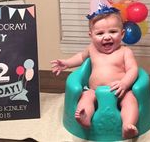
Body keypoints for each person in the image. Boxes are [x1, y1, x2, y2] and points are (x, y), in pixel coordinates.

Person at [51, 11, 139, 139]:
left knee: (130, 100)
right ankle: (85, 117)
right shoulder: (92, 49)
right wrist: (67, 63)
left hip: (119, 91)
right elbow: (80, 57)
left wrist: (124, 84)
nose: (107, 37)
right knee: (86, 97)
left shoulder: (125, 51)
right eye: (100, 33)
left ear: (122, 34)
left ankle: (128, 125)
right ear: (91, 35)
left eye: (113, 32)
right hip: (94, 90)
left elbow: (133, 69)